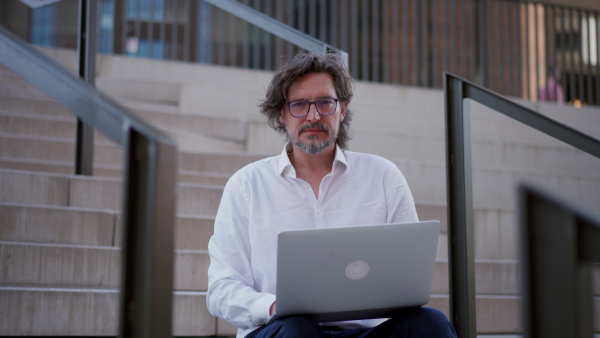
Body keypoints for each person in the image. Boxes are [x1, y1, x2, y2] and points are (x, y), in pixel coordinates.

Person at [206, 52, 457, 338]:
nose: (313, 116)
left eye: (325, 102)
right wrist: (275, 306)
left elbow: (408, 279)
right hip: (283, 330)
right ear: (281, 113)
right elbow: (221, 289)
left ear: (342, 109)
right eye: (299, 104)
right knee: (296, 329)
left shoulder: (384, 176)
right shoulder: (246, 185)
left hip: (365, 333)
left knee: (431, 323)